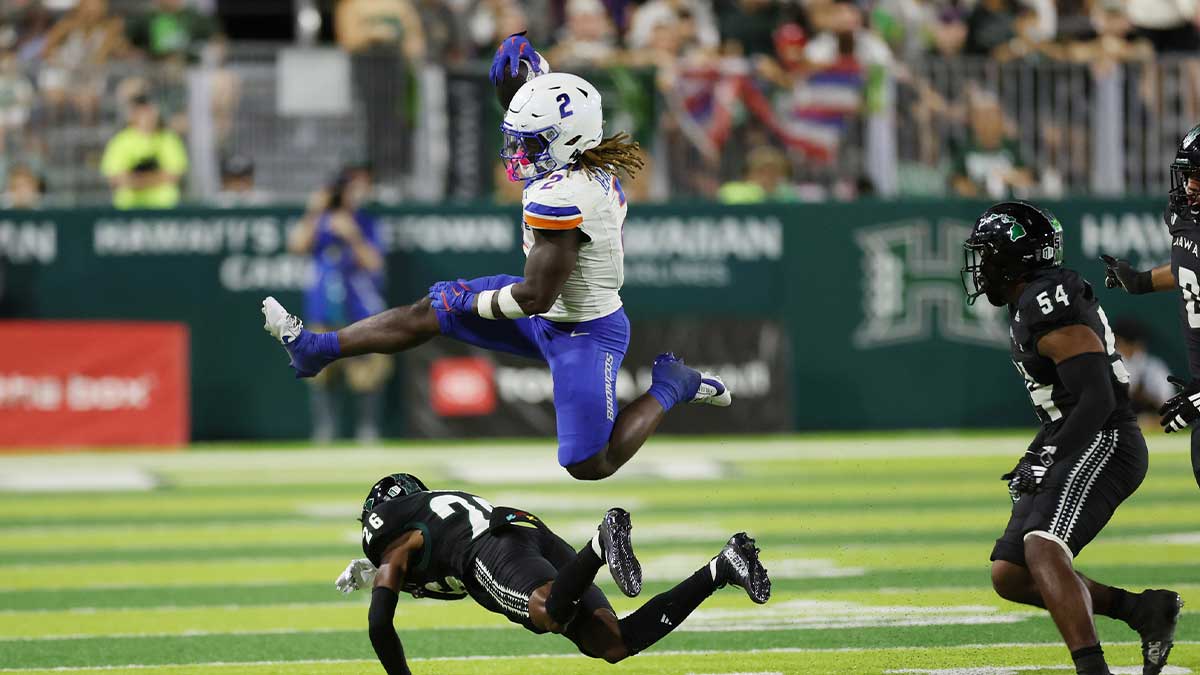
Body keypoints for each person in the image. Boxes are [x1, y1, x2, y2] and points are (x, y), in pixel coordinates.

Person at [262, 33, 731, 480]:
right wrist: (525, 73)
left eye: (529, 143)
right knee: (431, 309)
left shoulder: (568, 193)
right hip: (550, 307)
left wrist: (466, 302)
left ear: (564, 144)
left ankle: (673, 384)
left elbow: (535, 298)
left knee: (589, 462)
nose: (517, 152)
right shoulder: (574, 153)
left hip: (582, 329)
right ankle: (317, 349)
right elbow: (552, 108)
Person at [962, 201, 1181, 675]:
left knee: (1043, 546)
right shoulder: (1036, 298)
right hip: (1075, 432)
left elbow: (1099, 398)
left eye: (989, 254)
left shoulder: (1047, 299)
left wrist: (1048, 454)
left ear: (1012, 258)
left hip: (1104, 438)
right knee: (1012, 573)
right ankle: (1143, 611)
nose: (982, 267)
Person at [335, 473, 770, 674]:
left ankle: (601, 545)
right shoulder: (430, 517)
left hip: (489, 547)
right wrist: (384, 571)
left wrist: (383, 576)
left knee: (546, 612)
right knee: (613, 643)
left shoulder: (390, 537)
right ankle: (722, 567)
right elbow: (439, 577)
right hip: (529, 531)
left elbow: (379, 626)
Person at [1101, 122, 1200, 489]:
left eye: (1199, 177)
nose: (1190, 186)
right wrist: (1142, 282)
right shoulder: (1188, 222)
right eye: (1188, 175)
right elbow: (1190, 268)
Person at [286, 169, 389, 443]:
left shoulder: (365, 223)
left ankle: (368, 431)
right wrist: (312, 212)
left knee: (367, 373)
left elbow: (374, 263)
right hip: (324, 308)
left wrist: (352, 235)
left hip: (360, 310)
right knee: (320, 373)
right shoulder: (318, 224)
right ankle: (325, 431)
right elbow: (295, 245)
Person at [99, 94, 189, 209]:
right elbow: (115, 178)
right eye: (143, 112)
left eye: (150, 112)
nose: (147, 117)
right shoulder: (121, 141)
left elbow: (174, 175)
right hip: (129, 208)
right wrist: (155, 178)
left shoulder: (168, 139)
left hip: (164, 207)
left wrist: (135, 180)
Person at [1113, 318, 1175, 415]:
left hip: (1149, 424)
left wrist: (1146, 398)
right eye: (1128, 341)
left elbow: (1169, 405)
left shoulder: (1154, 367)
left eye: (1134, 341)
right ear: (1116, 339)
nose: (1132, 346)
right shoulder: (1106, 366)